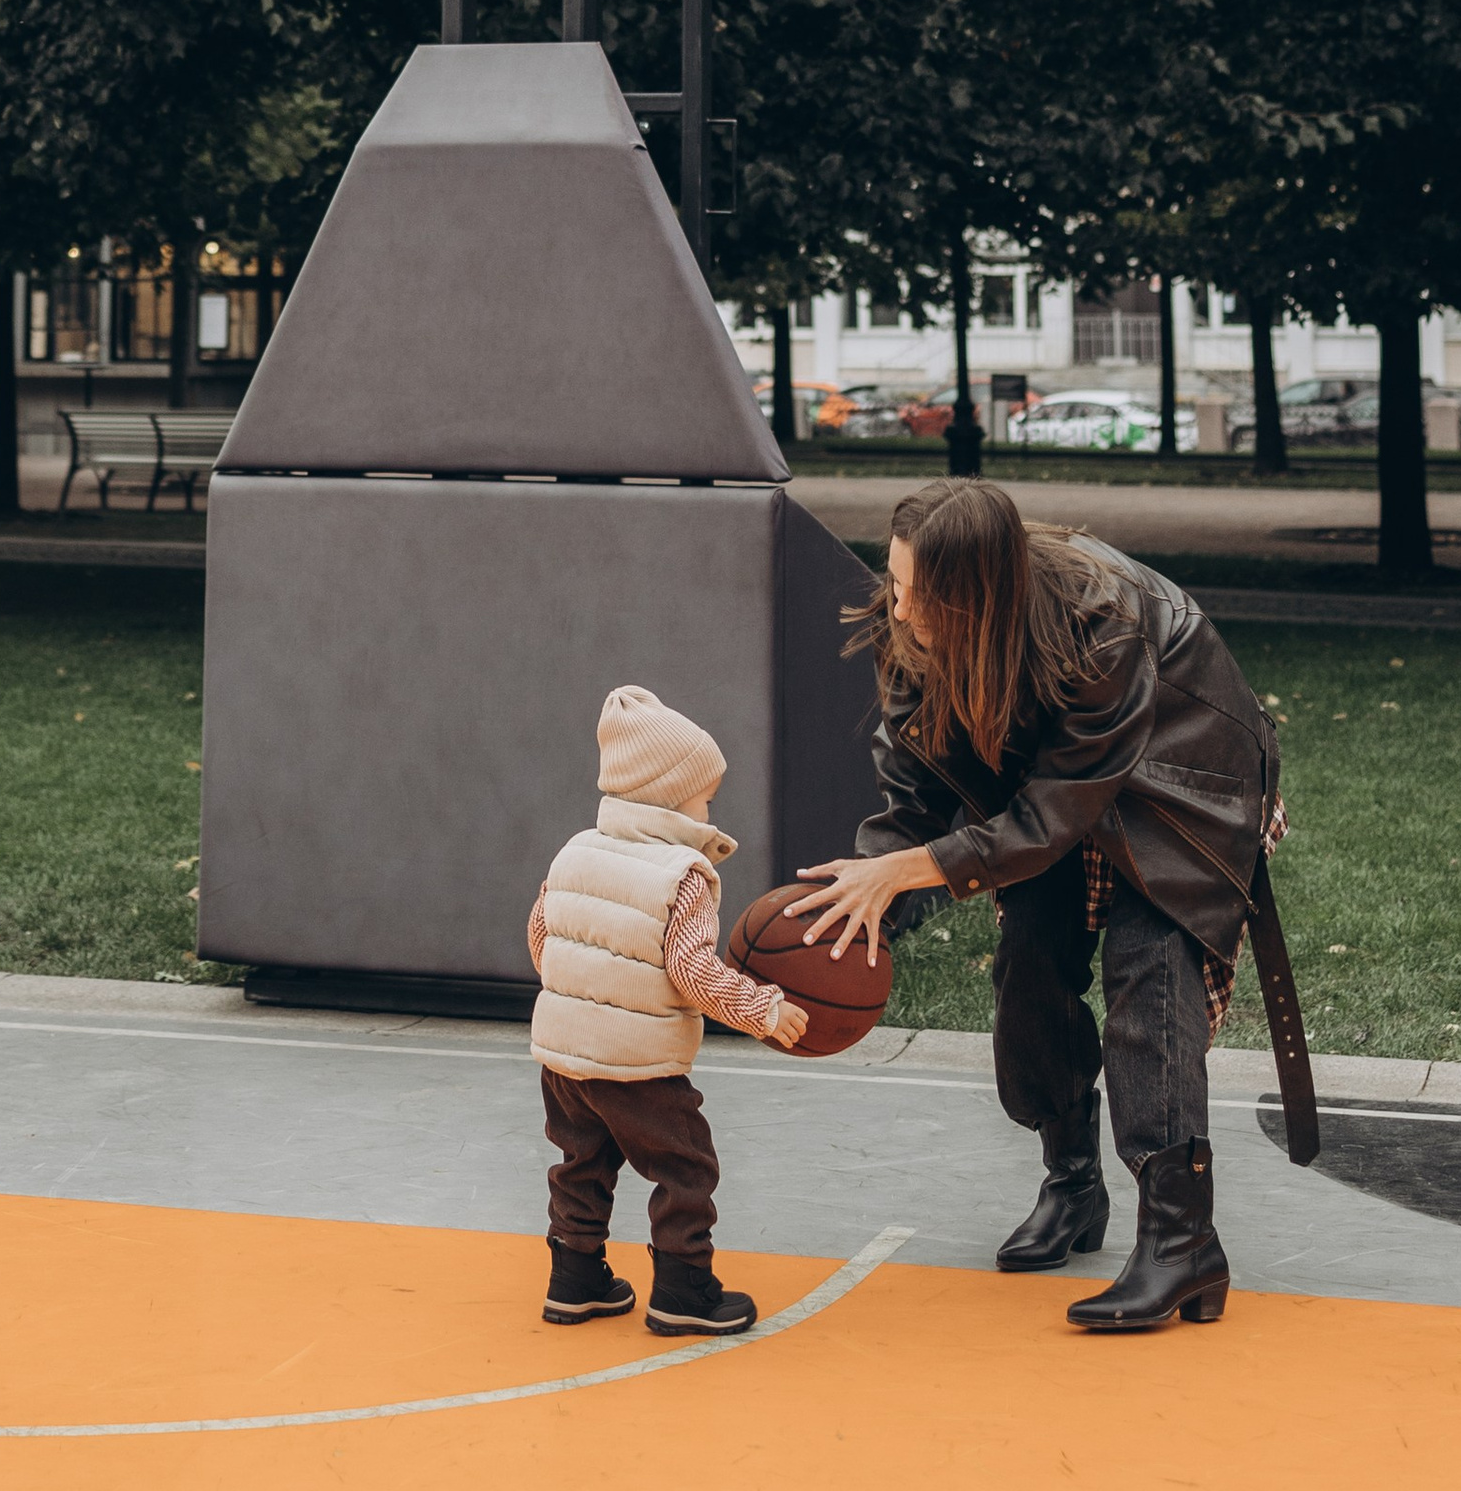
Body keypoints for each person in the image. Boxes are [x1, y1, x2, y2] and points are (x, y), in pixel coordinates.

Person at [787, 481, 1285, 1337]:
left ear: (978, 596)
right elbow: (920, 792)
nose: (898, 611)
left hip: (1180, 787)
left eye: (918, 594)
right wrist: (853, 904)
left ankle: (1182, 1240)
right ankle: (1072, 1184)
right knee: (1029, 974)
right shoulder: (910, 626)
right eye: (894, 584)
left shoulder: (1103, 625)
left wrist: (914, 870)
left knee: (1150, 972)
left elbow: (1058, 815)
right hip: (1056, 795)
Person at [528, 682, 809, 1336]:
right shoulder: (681, 873)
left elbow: (543, 936)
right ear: (670, 793)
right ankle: (683, 1289)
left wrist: (580, 996)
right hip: (638, 1063)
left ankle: (574, 1279)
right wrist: (760, 1008)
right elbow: (690, 971)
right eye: (705, 791)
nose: (710, 804)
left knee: (581, 1161)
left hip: (564, 1059)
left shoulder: (574, 851)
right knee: (685, 1166)